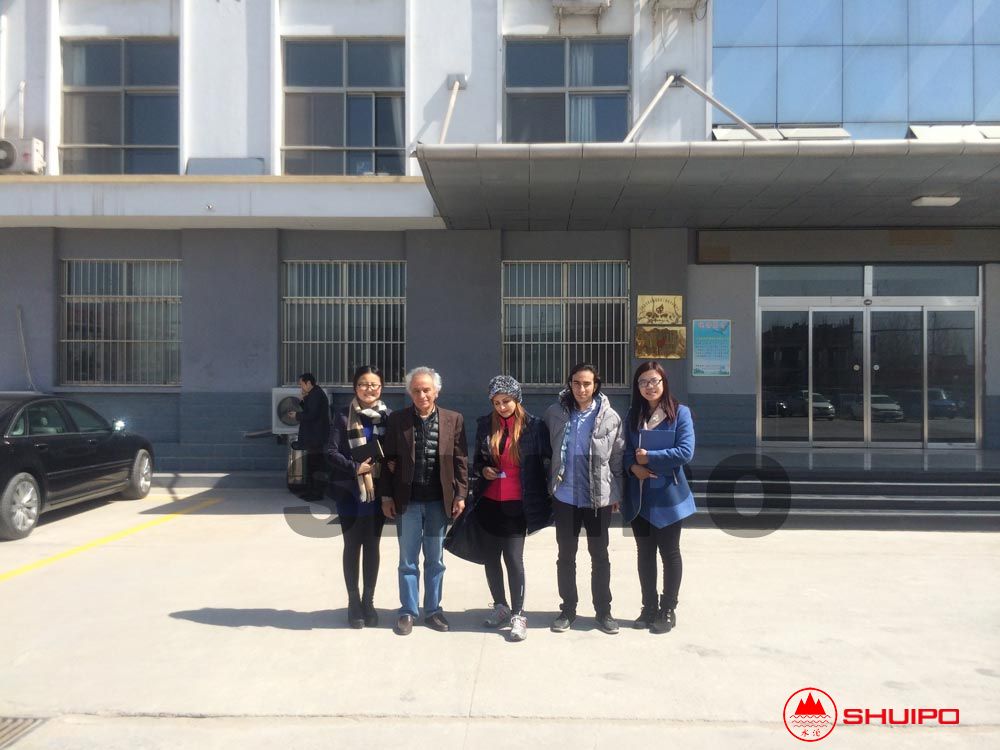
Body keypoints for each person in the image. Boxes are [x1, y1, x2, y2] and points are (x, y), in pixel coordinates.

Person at [378, 366, 468, 636]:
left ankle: (433, 611)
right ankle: (407, 611)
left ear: (436, 391)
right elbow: (387, 460)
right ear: (410, 393)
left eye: (426, 390)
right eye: (416, 390)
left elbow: (461, 460)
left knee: (435, 560)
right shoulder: (398, 420)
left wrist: (461, 494)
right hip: (408, 503)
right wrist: (386, 496)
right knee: (408, 560)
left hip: (438, 502)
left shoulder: (453, 419)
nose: (422, 395)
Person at [543, 363, 625, 635]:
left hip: (597, 498)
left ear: (596, 385)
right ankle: (567, 610)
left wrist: (616, 492)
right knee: (566, 555)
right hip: (565, 496)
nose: (581, 389)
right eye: (576, 383)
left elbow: (617, 457)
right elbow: (546, 452)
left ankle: (603, 611)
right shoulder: (555, 413)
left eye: (587, 383)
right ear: (569, 384)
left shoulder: (610, 417)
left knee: (599, 555)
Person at [472, 375, 551, 642]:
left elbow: (546, 462)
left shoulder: (534, 426)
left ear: (517, 399)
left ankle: (518, 614)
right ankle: (500, 606)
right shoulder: (485, 425)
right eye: (496, 402)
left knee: (513, 558)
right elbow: (477, 462)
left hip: (518, 503)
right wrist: (484, 469)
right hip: (489, 501)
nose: (502, 407)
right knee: (491, 558)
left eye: (506, 401)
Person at [621, 362, 696, 634]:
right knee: (645, 553)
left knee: (669, 552)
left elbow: (685, 452)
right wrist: (633, 467)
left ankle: (668, 609)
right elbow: (625, 451)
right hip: (640, 496)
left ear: (664, 382)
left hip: (668, 496)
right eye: (643, 382)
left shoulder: (680, 413)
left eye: (654, 381)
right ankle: (649, 607)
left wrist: (650, 457)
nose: (649, 386)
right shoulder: (633, 415)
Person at [327, 365, 390, 629]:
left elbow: (395, 452)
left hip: (377, 494)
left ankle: (368, 601)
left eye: (374, 384)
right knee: (352, 546)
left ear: (381, 388)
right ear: (355, 387)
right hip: (350, 495)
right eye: (363, 384)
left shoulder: (388, 417)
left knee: (373, 546)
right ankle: (353, 602)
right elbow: (330, 452)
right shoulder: (343, 416)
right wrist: (356, 468)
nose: (369, 389)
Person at [289, 373, 330, 502]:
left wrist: (297, 415)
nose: (300, 387)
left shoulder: (316, 395)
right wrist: (303, 400)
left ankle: (316, 492)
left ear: (308, 383)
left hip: (315, 437)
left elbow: (311, 415)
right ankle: (311, 491)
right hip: (314, 437)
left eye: (301, 384)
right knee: (313, 464)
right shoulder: (313, 394)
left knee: (315, 464)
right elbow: (308, 410)